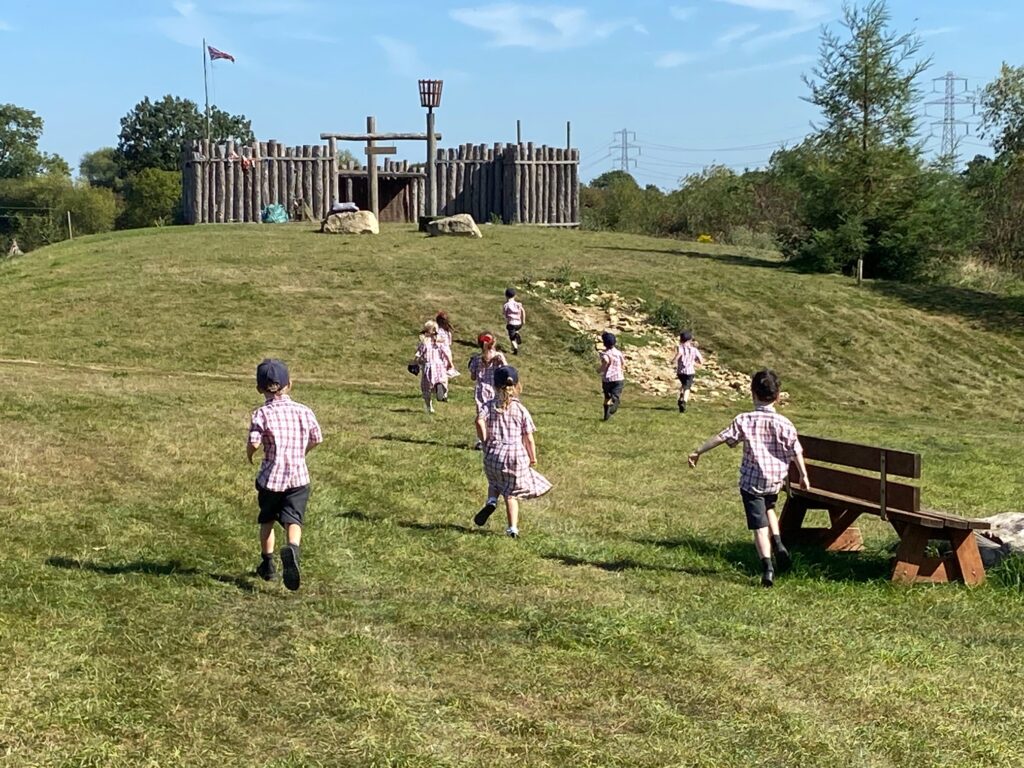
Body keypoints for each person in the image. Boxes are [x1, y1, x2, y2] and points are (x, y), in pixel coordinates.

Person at [687, 369, 810, 587]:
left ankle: (767, 566)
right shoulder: (785, 423)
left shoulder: (745, 420)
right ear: (778, 396)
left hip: (752, 482)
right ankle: (779, 544)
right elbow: (796, 450)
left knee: (758, 526)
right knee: (769, 508)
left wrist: (699, 451)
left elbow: (722, 437)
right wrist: (803, 475)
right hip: (774, 480)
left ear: (752, 393)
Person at [247, 359, 323, 591]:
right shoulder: (304, 410)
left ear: (259, 388)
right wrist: (302, 452)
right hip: (298, 477)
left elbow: (254, 442)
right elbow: (316, 437)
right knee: (293, 519)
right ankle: (293, 550)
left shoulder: (261, 414)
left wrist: (249, 455)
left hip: (271, 478)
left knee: (267, 519)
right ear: (289, 384)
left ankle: (268, 564)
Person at [473, 365, 551, 538]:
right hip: (515, 455)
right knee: (511, 494)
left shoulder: (489, 406)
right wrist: (533, 457)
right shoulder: (520, 409)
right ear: (516, 386)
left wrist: (485, 440)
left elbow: (479, 421)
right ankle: (512, 529)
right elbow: (528, 438)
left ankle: (492, 501)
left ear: (494, 386)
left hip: (493, 453)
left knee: (494, 482)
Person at [468, 331, 508, 448]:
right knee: (497, 414)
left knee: (481, 415)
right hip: (496, 388)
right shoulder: (499, 357)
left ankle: (481, 440)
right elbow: (506, 371)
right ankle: (498, 438)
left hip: (481, 389)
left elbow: (473, 377)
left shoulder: (476, 359)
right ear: (494, 343)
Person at [413, 320, 452, 413]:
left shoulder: (425, 342)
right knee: (441, 381)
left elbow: (419, 354)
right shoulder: (437, 342)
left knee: (427, 387)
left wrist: (414, 362)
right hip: (438, 365)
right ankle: (441, 392)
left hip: (429, 366)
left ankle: (429, 405)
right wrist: (450, 362)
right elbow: (445, 352)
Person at [671, 329, 704, 413]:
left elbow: (679, 354)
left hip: (680, 371)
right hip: (690, 371)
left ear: (681, 339)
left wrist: (674, 360)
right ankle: (684, 402)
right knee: (687, 388)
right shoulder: (694, 350)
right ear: (690, 339)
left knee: (683, 384)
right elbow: (701, 360)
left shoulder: (680, 347)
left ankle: (680, 397)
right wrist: (696, 362)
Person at [598, 330, 625, 421]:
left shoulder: (605, 354)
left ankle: (606, 414)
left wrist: (601, 369)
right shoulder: (618, 353)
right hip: (618, 378)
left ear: (604, 343)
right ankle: (614, 402)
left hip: (607, 379)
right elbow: (623, 363)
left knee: (607, 397)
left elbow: (606, 361)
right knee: (615, 395)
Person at [435, 310, 460, 378]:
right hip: (446, 353)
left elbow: (443, 349)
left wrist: (450, 363)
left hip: (441, 355)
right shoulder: (448, 332)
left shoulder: (438, 332)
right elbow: (449, 344)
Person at [502, 287, 526, 355]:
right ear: (514, 295)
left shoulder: (506, 305)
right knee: (515, 330)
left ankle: (515, 349)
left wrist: (506, 317)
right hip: (519, 323)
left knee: (512, 338)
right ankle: (517, 334)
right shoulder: (518, 304)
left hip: (511, 324)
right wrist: (523, 320)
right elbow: (523, 311)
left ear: (506, 296)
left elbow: (504, 313)